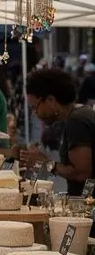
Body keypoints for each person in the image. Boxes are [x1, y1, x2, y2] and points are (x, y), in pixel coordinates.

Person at [24, 67, 95, 195]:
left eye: (35, 107)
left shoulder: (76, 120)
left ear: (51, 100)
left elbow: (81, 173)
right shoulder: (78, 114)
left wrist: (46, 163)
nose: (35, 113)